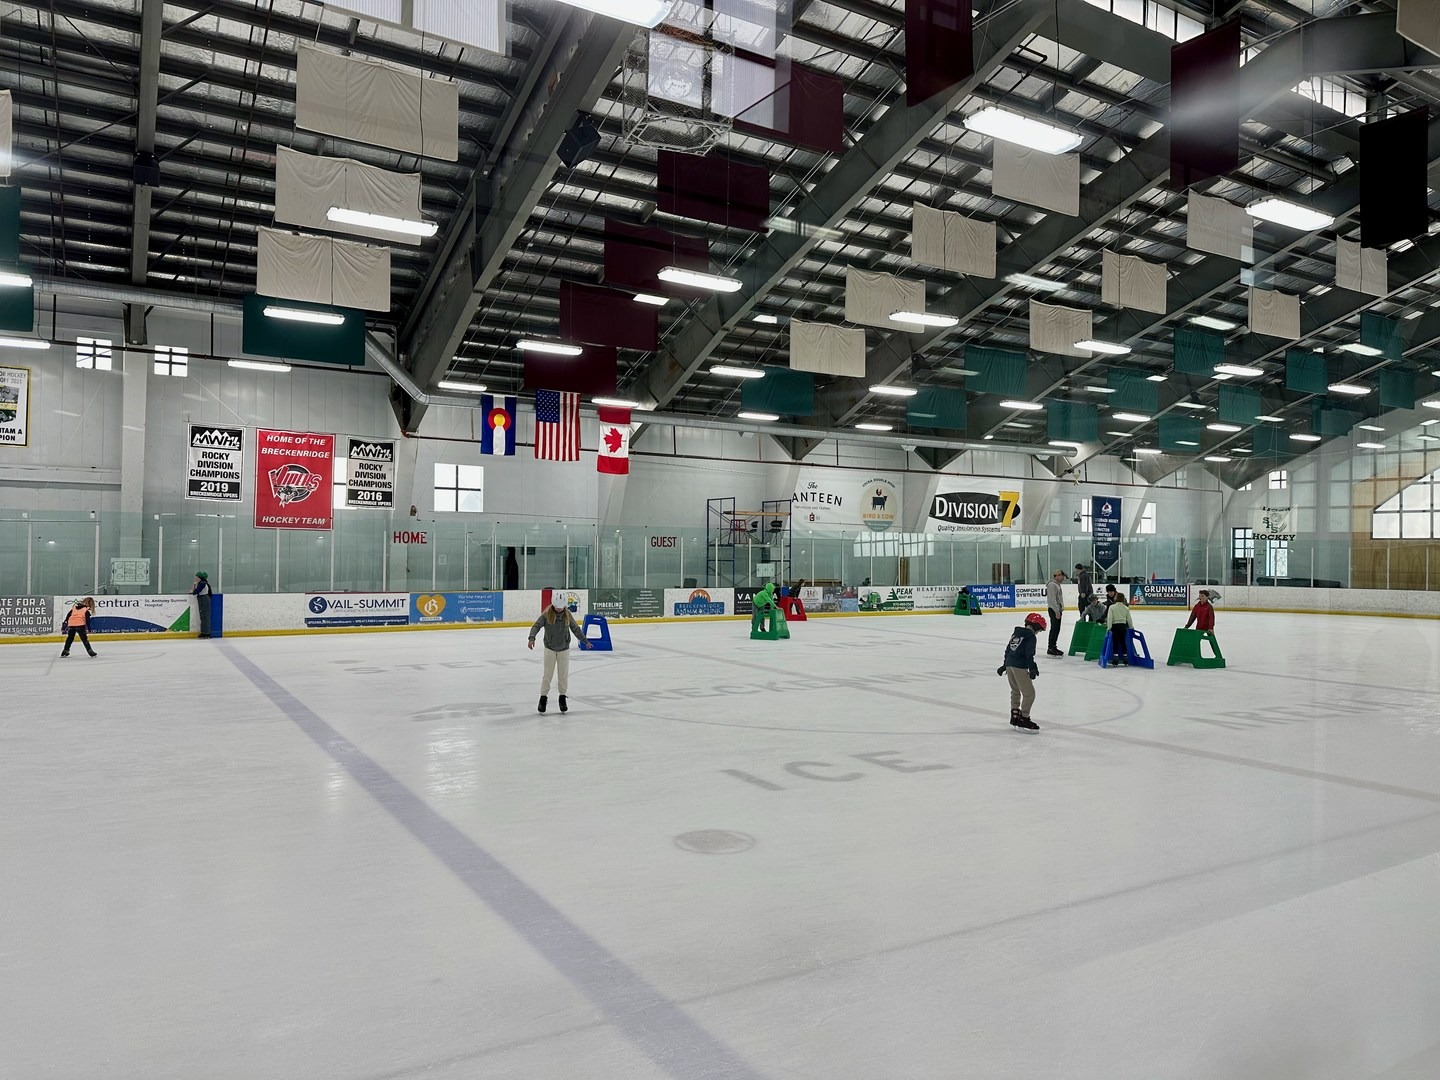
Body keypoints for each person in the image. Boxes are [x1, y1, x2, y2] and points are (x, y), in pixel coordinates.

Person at [527, 591, 590, 713]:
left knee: (563, 675)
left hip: (564, 649)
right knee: (547, 675)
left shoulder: (567, 614)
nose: (559, 609)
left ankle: (562, 698)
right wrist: (531, 638)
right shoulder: (547, 614)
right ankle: (543, 698)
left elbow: (575, 629)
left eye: (561, 607)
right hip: (550, 649)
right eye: (557, 606)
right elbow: (536, 625)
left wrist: (585, 641)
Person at [998, 612, 1044, 730]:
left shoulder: (1017, 633)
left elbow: (1008, 649)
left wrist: (1004, 665)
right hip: (1019, 666)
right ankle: (1024, 718)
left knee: (1015, 691)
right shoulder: (1030, 636)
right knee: (1030, 694)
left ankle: (1015, 715)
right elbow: (1029, 654)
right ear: (1036, 626)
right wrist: (1032, 668)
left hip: (1010, 665)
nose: (1038, 633)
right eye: (1039, 630)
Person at [1105, 589, 1134, 666]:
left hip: (1115, 627)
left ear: (1116, 598)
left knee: (1115, 643)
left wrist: (1109, 628)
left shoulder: (1112, 607)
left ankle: (1116, 659)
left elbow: (1110, 618)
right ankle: (1125, 659)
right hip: (1123, 627)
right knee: (1122, 642)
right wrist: (1131, 628)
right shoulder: (1126, 608)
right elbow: (1129, 619)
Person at [1045, 569, 1065, 657]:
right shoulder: (1052, 585)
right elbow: (1052, 599)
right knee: (1054, 628)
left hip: (1057, 609)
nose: (1063, 578)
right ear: (1057, 575)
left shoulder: (1057, 585)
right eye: (1061, 575)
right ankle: (1051, 647)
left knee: (1056, 629)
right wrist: (1056, 611)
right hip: (1054, 610)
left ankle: (1053, 646)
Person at [192, 571, 213, 639]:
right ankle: (204, 632)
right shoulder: (201, 583)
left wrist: (194, 586)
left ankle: (206, 633)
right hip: (202, 599)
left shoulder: (202, 583)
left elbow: (195, 592)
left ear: (200, 578)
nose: (196, 578)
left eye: (197, 577)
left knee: (205, 616)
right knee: (203, 616)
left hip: (204, 599)